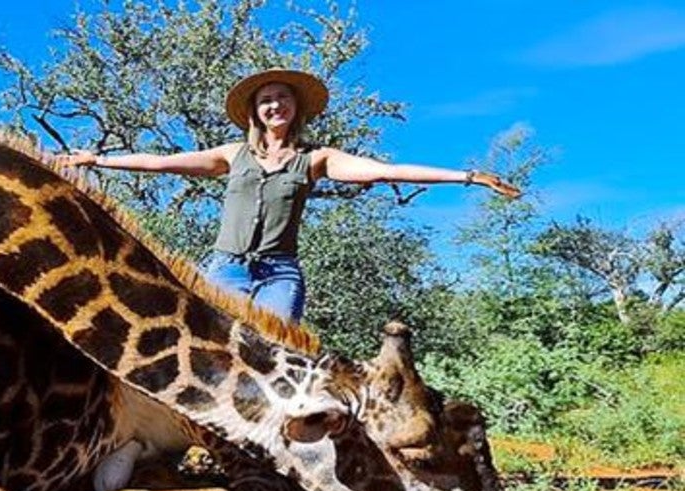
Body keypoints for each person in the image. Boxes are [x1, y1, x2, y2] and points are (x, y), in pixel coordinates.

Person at [62, 68, 520, 322]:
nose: (275, 105)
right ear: (256, 113)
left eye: (283, 98)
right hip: (226, 269)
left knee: (279, 347)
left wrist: (466, 176)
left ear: (295, 107)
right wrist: (97, 161)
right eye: (267, 100)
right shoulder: (232, 154)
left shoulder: (316, 159)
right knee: (214, 342)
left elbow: (386, 172)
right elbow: (162, 162)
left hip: (280, 273)